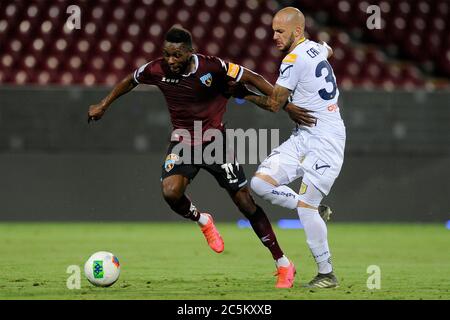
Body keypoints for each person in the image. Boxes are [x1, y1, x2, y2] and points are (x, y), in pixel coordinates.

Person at [87, 26, 315, 288]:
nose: (170, 61)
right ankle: (203, 220)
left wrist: (283, 103)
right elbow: (130, 80)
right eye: (166, 54)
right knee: (171, 192)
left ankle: (283, 263)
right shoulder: (156, 69)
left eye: (176, 55)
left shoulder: (212, 67)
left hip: (215, 144)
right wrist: (103, 104)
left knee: (245, 204)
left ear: (190, 52)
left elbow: (251, 76)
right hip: (183, 142)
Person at [243, 7, 346, 288]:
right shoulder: (314, 48)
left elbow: (274, 104)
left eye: (280, 31)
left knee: (305, 210)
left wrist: (242, 93)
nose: (274, 36)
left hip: (325, 140)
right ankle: (316, 207)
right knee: (260, 184)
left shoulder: (292, 58)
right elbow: (328, 51)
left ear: (297, 31)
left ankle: (327, 274)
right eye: (273, 30)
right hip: (303, 136)